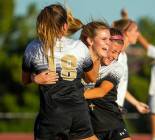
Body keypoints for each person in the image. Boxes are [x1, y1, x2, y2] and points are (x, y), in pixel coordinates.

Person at [22, 4, 101, 140]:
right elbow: (92, 78)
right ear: (65, 26)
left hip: (53, 115)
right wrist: (97, 55)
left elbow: (25, 80)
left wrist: (35, 78)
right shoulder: (79, 47)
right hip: (78, 112)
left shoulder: (33, 48)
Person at [83, 28, 131, 140]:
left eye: (118, 53)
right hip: (90, 127)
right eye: (114, 51)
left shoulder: (116, 67)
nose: (115, 57)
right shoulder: (84, 62)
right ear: (105, 45)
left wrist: (71, 95)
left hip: (113, 124)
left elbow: (101, 91)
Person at [112, 19, 149, 113]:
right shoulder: (114, 55)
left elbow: (120, 86)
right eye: (136, 30)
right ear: (126, 32)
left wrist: (136, 103)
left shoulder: (123, 56)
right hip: (108, 108)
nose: (138, 34)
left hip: (116, 108)